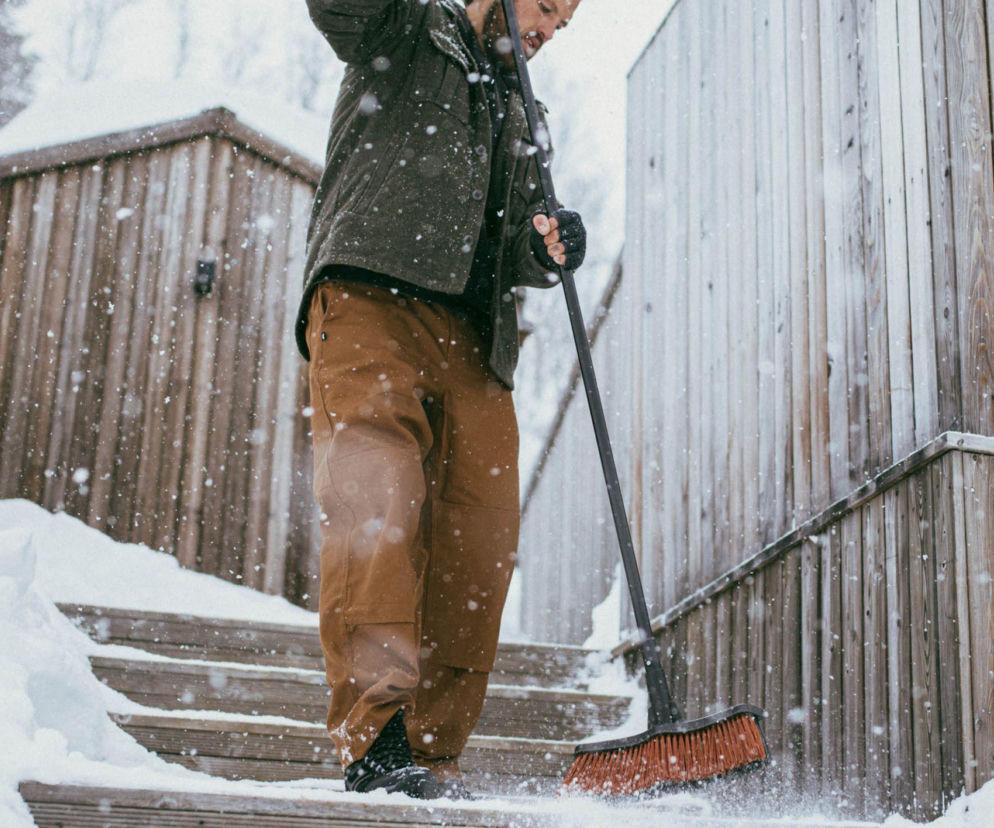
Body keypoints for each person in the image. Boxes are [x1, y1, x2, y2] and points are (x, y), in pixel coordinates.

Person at [296, 0, 585, 799]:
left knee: (478, 542)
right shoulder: (407, 29)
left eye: (563, 27)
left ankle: (432, 749)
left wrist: (548, 239)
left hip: (476, 339)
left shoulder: (525, 108)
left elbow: (518, 234)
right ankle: (376, 738)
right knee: (377, 510)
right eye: (548, 8)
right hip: (371, 301)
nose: (548, 32)